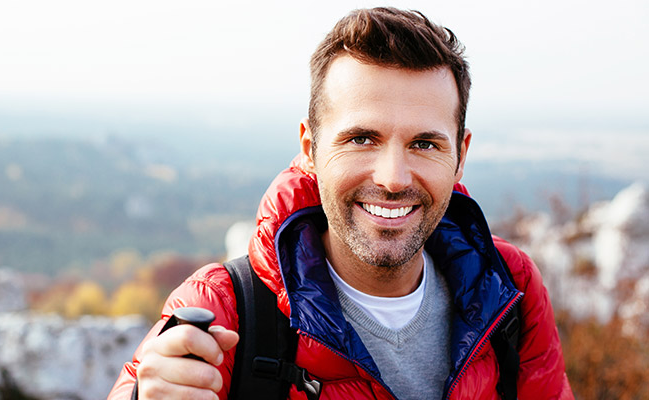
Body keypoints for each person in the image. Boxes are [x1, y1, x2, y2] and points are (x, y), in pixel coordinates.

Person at [109, 7, 573, 400]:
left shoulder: (510, 286)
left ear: (461, 156)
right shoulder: (224, 308)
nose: (393, 178)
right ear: (310, 149)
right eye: (361, 138)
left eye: (425, 144)